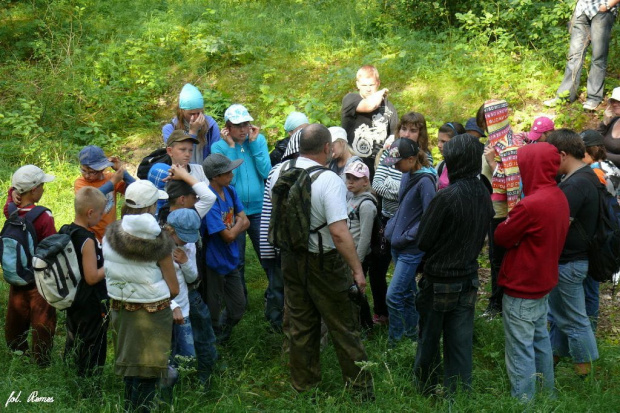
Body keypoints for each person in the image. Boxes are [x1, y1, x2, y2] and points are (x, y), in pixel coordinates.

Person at [270, 124, 374, 400]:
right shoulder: (329, 180)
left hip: (291, 258)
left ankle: (304, 386)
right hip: (324, 261)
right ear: (327, 148)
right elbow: (339, 233)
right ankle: (360, 391)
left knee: (301, 324)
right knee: (344, 326)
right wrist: (357, 270)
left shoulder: (280, 172)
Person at [413, 134, 493, 395]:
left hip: (439, 279)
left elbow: (423, 240)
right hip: (468, 278)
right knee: (460, 343)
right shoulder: (483, 191)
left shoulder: (445, 197)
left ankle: (426, 389)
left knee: (428, 340)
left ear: (453, 162)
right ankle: (459, 394)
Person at [495, 143, 570, 402]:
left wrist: (513, 216)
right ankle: (547, 398)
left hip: (522, 286)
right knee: (540, 344)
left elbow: (502, 236)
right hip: (543, 283)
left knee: (520, 351)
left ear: (531, 166)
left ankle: (523, 403)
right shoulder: (558, 196)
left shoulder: (531, 205)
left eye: (522, 164)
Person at [103, 180, 179, 412]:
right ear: (150, 207)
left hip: (121, 307)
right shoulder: (160, 241)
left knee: (130, 367)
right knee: (149, 370)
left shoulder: (111, 234)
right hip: (153, 312)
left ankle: (129, 408)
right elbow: (173, 288)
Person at [546, 129, 600, 377]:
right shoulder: (585, 176)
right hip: (573, 260)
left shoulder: (575, 184)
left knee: (575, 321)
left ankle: (585, 375)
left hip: (569, 262)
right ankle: (551, 362)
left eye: (551, 157)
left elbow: (558, 226)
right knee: (561, 317)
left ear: (563, 154)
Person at [159, 166, 218, 388]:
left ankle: (207, 378)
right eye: (192, 197)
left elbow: (193, 274)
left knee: (203, 336)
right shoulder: (159, 237)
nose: (196, 201)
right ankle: (175, 384)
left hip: (190, 293)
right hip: (169, 300)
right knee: (175, 346)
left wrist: (184, 263)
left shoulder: (190, 221)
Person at [370, 111, 431, 326]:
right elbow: (376, 185)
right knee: (380, 269)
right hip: (388, 221)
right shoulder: (391, 151)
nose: (406, 133)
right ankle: (389, 316)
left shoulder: (425, 159)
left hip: (409, 227)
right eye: (403, 128)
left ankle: (410, 323)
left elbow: (420, 193)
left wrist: (396, 188)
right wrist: (403, 189)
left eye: (413, 130)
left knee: (404, 279)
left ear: (420, 134)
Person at [211, 104, 271, 299]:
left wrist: (254, 145)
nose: (243, 129)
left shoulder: (258, 141)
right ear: (227, 128)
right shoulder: (219, 147)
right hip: (234, 211)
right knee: (237, 258)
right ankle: (239, 299)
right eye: (238, 126)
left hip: (259, 207)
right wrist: (230, 148)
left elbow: (266, 172)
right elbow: (231, 179)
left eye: (246, 124)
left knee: (267, 254)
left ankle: (276, 294)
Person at [382, 138, 437, 345]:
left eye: (398, 162)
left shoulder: (425, 182)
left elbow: (428, 217)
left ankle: (394, 342)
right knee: (405, 293)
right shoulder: (407, 174)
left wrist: (407, 235)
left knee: (393, 296)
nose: (395, 167)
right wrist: (391, 229)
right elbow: (403, 206)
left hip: (410, 248)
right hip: (398, 243)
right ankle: (413, 336)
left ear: (412, 159)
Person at [3, 165, 57, 367]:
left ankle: (18, 351)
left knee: (16, 312)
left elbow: (9, 202)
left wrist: (12, 192)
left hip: (17, 272)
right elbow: (50, 245)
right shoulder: (44, 216)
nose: (43, 189)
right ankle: (42, 361)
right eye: (42, 185)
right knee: (43, 318)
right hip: (39, 280)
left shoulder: (11, 210)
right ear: (34, 190)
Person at [479, 99, 524, 318]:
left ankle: (499, 303)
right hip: (492, 210)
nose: (485, 128)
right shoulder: (493, 142)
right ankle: (498, 300)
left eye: (487, 122)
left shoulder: (510, 144)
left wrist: (491, 162)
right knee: (495, 260)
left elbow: (512, 183)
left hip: (504, 213)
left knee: (500, 260)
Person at [202, 153, 250, 343]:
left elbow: (245, 220)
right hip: (214, 262)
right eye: (227, 171)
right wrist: (238, 225)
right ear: (215, 176)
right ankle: (213, 343)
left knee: (239, 307)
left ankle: (222, 332)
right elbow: (229, 235)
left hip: (231, 259)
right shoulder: (209, 200)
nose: (232, 173)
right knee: (212, 308)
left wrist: (235, 226)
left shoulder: (230, 191)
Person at [64, 187, 109, 383]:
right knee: (92, 345)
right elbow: (91, 277)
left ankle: (69, 376)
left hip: (72, 296)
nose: (102, 217)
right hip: (89, 302)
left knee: (73, 338)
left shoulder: (66, 230)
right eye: (101, 213)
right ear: (90, 212)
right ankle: (89, 386)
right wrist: (112, 266)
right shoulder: (87, 240)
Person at [543, 0, 619, 111]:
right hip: (582, 9)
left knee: (598, 57)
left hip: (603, 11)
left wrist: (607, 5)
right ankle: (565, 96)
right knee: (574, 56)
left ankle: (593, 98)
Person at [579, 129, 620, 331]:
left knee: (590, 284)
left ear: (589, 151)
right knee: (592, 283)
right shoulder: (610, 166)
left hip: (596, 233)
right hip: (608, 231)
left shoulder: (595, 172)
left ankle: (588, 329)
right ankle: (589, 328)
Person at [341, 65, 398, 177]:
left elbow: (395, 135)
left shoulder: (388, 107)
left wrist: (387, 166)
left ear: (378, 83)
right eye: (364, 85)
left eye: (371, 85)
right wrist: (381, 93)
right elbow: (370, 105)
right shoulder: (350, 99)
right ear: (357, 84)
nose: (368, 89)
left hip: (379, 168)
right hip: (354, 167)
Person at [75, 145, 135, 242]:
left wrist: (123, 172)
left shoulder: (110, 178)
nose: (86, 175)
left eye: (92, 172)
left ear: (102, 169)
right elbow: (90, 198)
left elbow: (136, 189)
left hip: (110, 234)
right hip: (90, 236)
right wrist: (112, 182)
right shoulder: (80, 183)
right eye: (83, 170)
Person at [345, 161, 377, 331]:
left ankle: (366, 326)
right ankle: (355, 322)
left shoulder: (366, 205)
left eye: (355, 179)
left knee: (358, 291)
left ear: (365, 181)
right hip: (349, 253)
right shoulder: (350, 198)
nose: (350, 182)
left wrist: (357, 261)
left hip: (358, 256)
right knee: (350, 290)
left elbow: (365, 237)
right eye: (348, 178)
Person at [162, 83, 221, 163]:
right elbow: (179, 156)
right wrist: (193, 132)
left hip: (206, 173)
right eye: (192, 114)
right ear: (182, 111)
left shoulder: (211, 126)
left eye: (199, 113)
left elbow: (217, 155)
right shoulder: (170, 129)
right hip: (182, 172)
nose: (196, 117)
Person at [436, 122, 466, 190]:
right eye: (439, 141)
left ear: (457, 142)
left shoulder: (469, 169)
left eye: (443, 142)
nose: (439, 145)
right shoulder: (441, 166)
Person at [597, 86, 620, 167]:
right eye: (613, 101)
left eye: (618, 101)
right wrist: (604, 122)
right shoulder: (613, 120)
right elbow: (596, 140)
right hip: (604, 166)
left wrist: (601, 156)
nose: (614, 104)